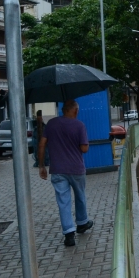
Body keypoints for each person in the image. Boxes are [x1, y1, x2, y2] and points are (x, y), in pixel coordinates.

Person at [38, 100, 93, 247]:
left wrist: (42, 165)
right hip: (76, 169)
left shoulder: (51, 124)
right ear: (75, 111)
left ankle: (69, 234)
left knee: (63, 202)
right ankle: (82, 223)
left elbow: (42, 144)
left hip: (57, 170)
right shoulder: (79, 125)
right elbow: (84, 149)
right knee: (80, 196)